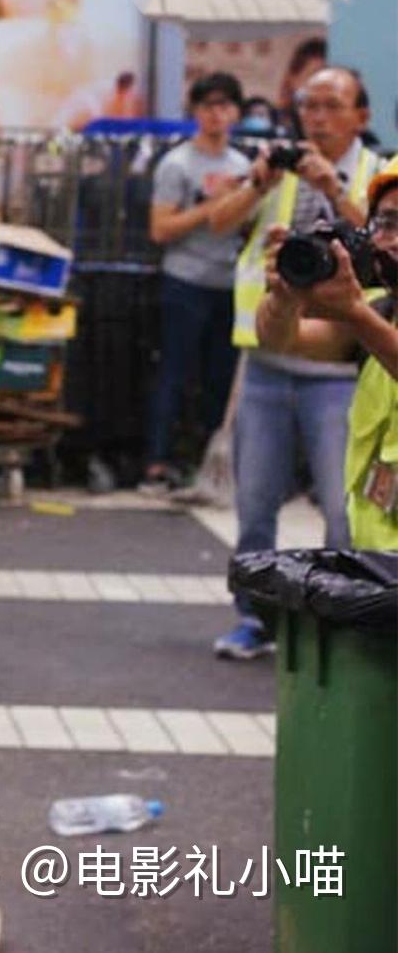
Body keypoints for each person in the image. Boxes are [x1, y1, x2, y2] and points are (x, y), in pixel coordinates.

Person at [205, 66, 381, 660]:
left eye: (333, 105)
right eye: (308, 105)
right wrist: (258, 182)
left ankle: (338, 621)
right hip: (270, 358)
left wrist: (334, 190)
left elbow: (380, 244)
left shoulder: (376, 176)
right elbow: (217, 222)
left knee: (342, 510)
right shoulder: (274, 166)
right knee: (254, 506)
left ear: (362, 116)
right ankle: (254, 620)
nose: (319, 117)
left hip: (338, 374)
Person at [256, 155, 398, 548]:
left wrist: (354, 312)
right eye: (387, 223)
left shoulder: (367, 318)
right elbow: (281, 340)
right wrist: (284, 298)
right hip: (376, 561)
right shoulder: (382, 311)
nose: (395, 240)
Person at [138, 72, 253, 495]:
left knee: (221, 382)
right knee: (173, 374)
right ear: (195, 112)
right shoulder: (177, 164)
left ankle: (209, 465)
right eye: (208, 106)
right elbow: (160, 229)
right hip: (184, 283)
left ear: (236, 113)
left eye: (225, 106)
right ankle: (156, 461)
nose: (216, 114)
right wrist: (211, 205)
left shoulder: (243, 166)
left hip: (230, 285)